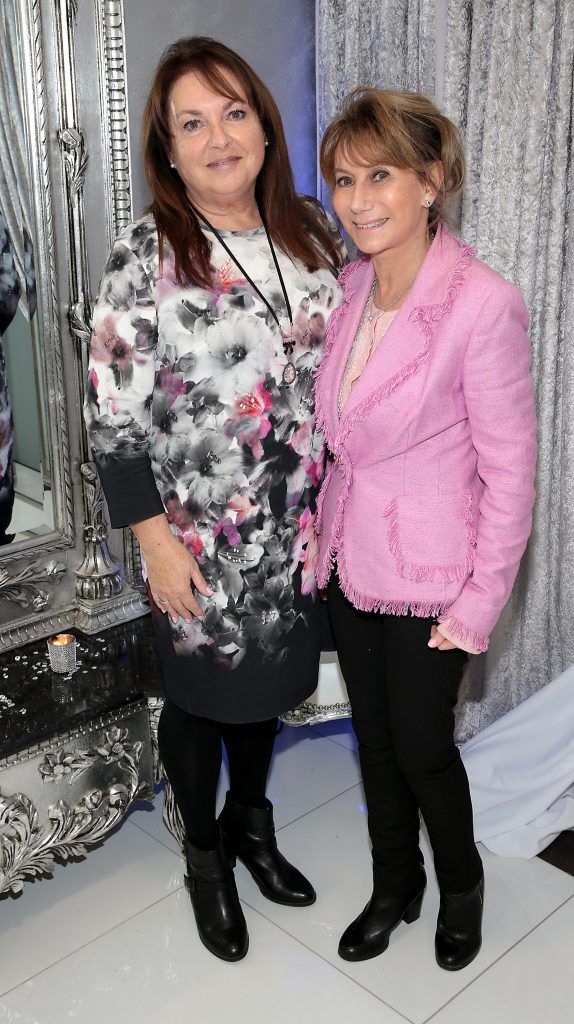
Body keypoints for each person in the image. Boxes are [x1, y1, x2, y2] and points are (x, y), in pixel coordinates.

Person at [84, 36, 344, 962]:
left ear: (267, 130)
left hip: (293, 533)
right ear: (167, 147)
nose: (218, 136)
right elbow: (111, 423)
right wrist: (155, 544)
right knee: (200, 699)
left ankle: (253, 823)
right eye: (192, 122)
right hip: (192, 540)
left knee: (267, 689)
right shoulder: (142, 255)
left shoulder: (315, 233)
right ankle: (204, 857)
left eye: (234, 112)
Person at [315, 88, 537, 971]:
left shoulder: (482, 305)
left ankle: (461, 884)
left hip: (434, 579)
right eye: (343, 179)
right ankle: (393, 883)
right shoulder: (350, 284)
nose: (360, 200)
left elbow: (511, 474)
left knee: (422, 749)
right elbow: (344, 432)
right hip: (348, 560)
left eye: (381, 176)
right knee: (371, 742)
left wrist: (480, 603)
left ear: (432, 180)